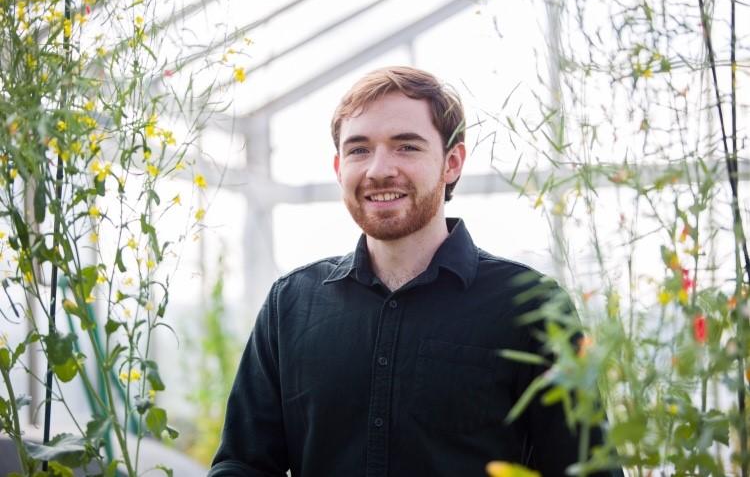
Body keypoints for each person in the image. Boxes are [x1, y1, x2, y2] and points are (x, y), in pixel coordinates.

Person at [208, 66, 612, 476]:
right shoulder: (291, 305)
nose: (379, 169)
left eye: (407, 147)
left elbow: (587, 468)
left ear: (451, 163)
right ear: (338, 167)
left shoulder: (531, 305)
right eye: (359, 149)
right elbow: (244, 463)